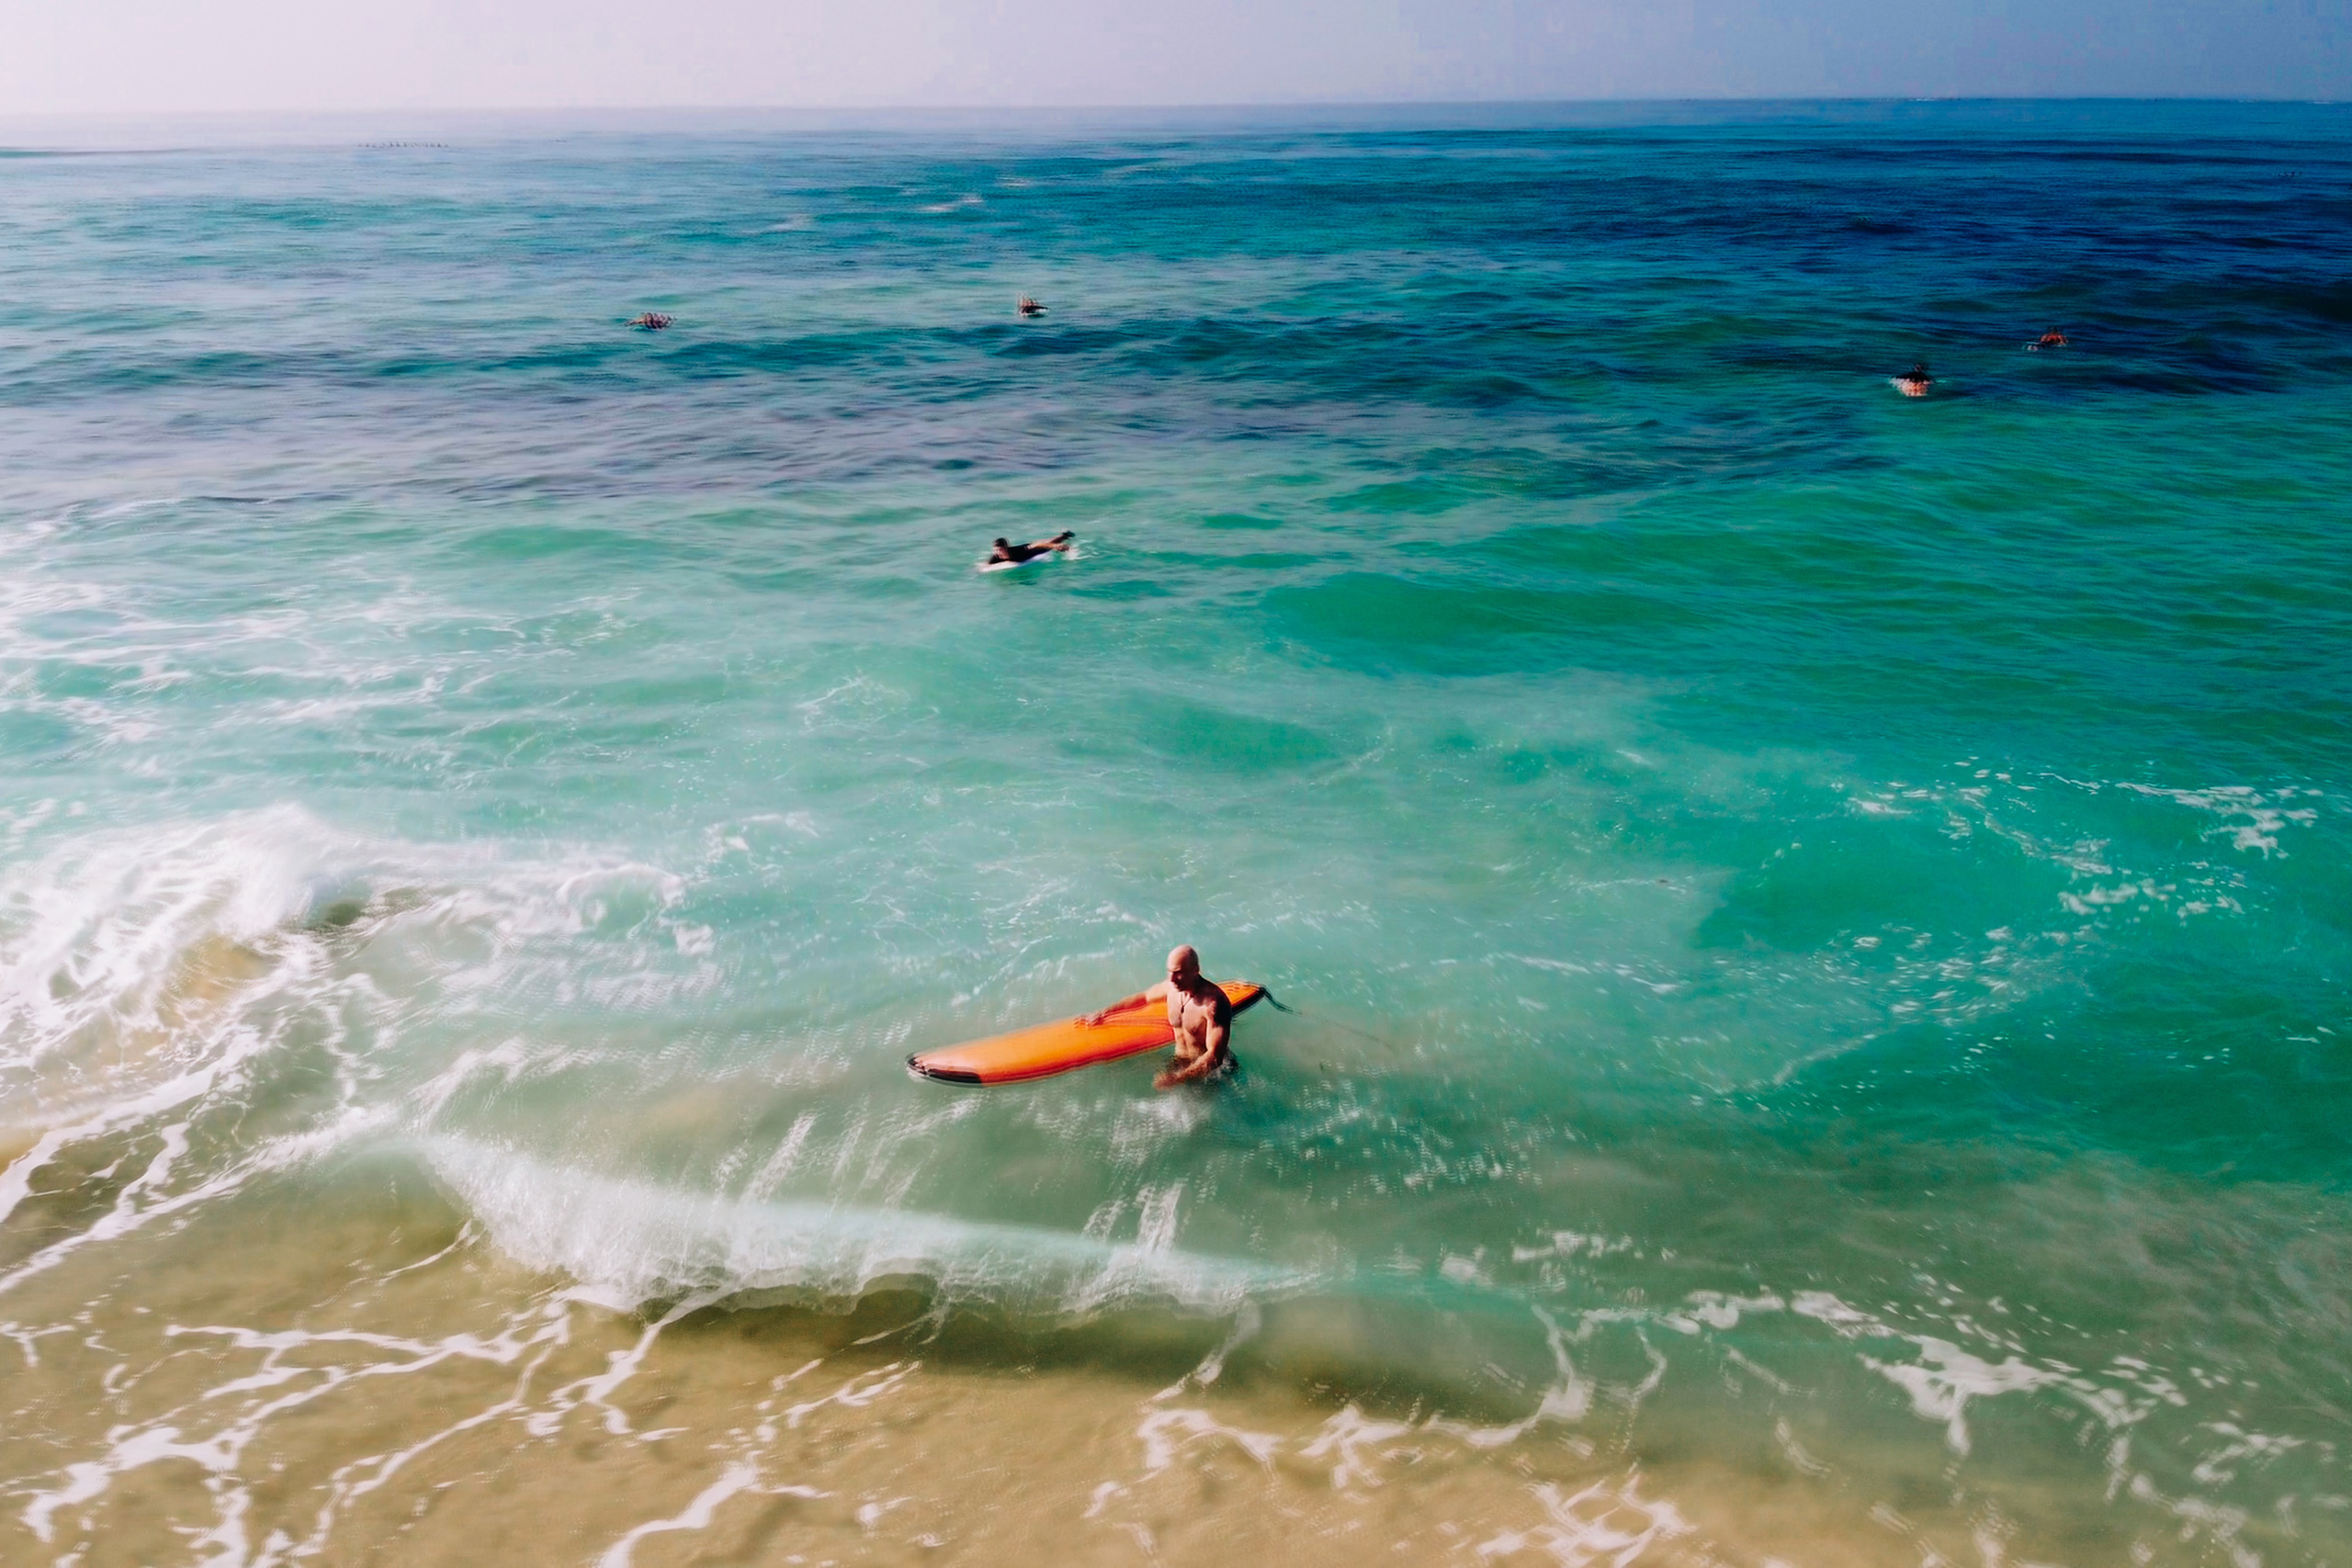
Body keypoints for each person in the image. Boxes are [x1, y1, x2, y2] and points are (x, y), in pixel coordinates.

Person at [1088, 945, 1236, 1089]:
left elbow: (1215, 1057)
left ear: (1195, 970)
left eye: (1178, 972)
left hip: (1211, 1073)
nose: (1172, 979)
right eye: (1169, 971)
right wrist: (1106, 1012)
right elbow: (1144, 998)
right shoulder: (1171, 988)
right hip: (1180, 1062)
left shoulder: (1214, 1004)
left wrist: (1178, 1078)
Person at [986, 529, 1075, 564]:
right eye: (995, 550)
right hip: (1025, 555)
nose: (998, 552)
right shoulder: (995, 557)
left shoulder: (1016, 551)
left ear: (1006, 548)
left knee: (1049, 543)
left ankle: (1065, 536)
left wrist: (1054, 546)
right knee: (1049, 543)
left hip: (1030, 552)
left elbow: (1035, 545)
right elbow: (984, 566)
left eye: (1000, 550)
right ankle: (1064, 536)